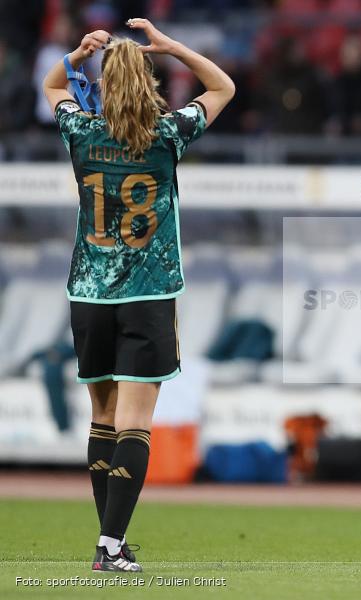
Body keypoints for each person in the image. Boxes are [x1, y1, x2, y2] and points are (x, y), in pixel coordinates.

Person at [42, 19, 234, 572]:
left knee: (102, 418)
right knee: (134, 425)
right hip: (149, 295)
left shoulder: (82, 131)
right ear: (147, 83)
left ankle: (109, 542)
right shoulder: (168, 133)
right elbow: (222, 87)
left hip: (90, 295)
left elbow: (54, 87)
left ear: (102, 86)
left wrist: (77, 54)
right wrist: (172, 45)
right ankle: (110, 546)